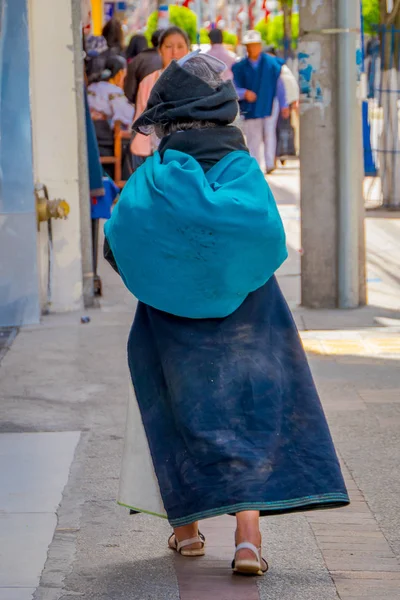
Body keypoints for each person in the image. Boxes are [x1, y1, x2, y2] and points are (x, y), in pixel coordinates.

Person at [104, 52, 349, 577]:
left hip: (170, 325)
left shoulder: (155, 178)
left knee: (175, 414)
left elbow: (117, 247)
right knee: (249, 415)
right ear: (224, 112)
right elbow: (269, 238)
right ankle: (247, 541)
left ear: (167, 118)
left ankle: (188, 532)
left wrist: (173, 270)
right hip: (251, 320)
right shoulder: (243, 170)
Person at [130, 26, 190, 170]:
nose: (174, 52)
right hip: (153, 152)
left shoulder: (197, 80)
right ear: (160, 50)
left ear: (188, 50)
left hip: (188, 151)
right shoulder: (148, 81)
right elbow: (141, 117)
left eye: (180, 46)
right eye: (168, 46)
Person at [232, 30, 290, 174]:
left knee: (270, 133)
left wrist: (284, 104)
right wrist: (244, 93)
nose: (252, 48)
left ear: (260, 46)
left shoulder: (271, 64)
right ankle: (255, 166)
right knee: (254, 136)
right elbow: (234, 87)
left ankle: (270, 163)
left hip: (270, 103)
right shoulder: (240, 67)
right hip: (251, 107)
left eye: (255, 45)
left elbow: (279, 85)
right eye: (249, 45)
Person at [87, 55, 134, 179]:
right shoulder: (114, 91)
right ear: (120, 74)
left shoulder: (91, 88)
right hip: (106, 139)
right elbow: (127, 115)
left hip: (91, 136)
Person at [124, 30, 163, 105]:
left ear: (151, 42)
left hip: (142, 107)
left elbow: (129, 93)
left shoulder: (137, 60)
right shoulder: (175, 62)